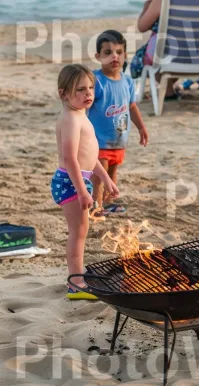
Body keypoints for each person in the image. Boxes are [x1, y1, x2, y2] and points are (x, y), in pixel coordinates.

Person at [52, 64, 119, 300]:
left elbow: (88, 157)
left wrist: (106, 179)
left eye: (90, 87)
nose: (88, 93)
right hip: (71, 182)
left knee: (81, 230)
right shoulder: (70, 118)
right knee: (77, 233)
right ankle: (76, 283)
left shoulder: (81, 115)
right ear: (64, 94)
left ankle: (78, 276)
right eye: (80, 89)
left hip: (80, 179)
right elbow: (70, 159)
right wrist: (82, 190)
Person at [89, 30, 149, 215]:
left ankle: (108, 202)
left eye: (119, 52)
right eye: (108, 52)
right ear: (98, 56)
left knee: (113, 172)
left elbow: (131, 107)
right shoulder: (95, 80)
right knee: (100, 174)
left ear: (125, 55)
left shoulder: (128, 82)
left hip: (119, 139)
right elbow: (83, 105)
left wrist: (141, 127)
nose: (114, 56)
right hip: (99, 139)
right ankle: (95, 205)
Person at [130, 0, 179, 99]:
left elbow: (142, 26)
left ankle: (168, 91)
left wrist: (146, 7)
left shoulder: (160, 1)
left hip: (167, 56)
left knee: (156, 50)